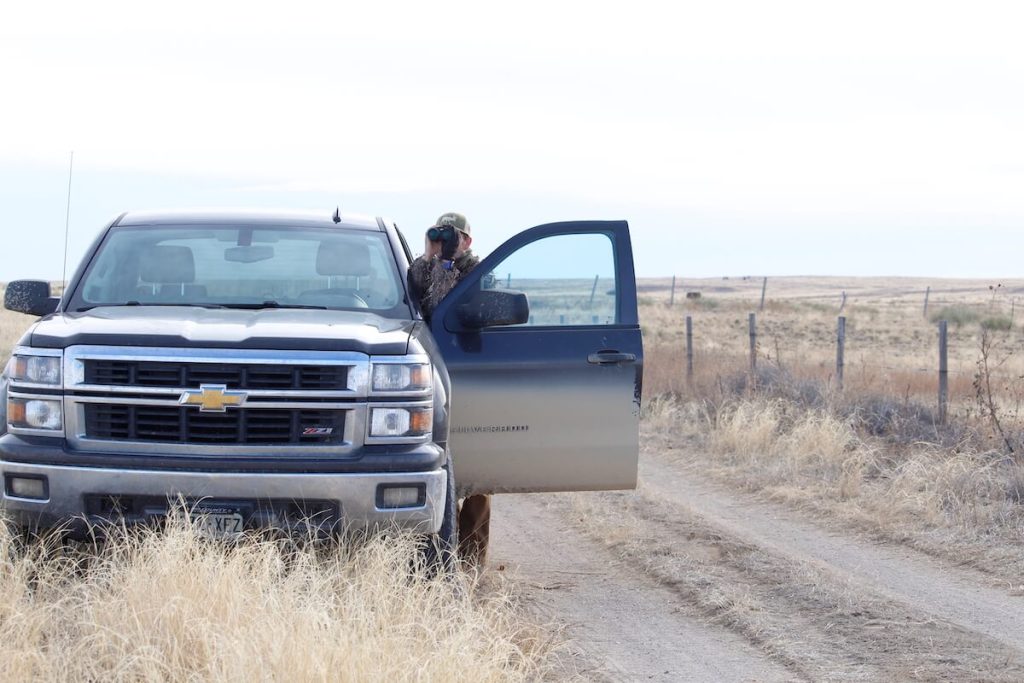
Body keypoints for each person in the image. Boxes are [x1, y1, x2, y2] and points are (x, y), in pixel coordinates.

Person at [407, 212, 491, 566]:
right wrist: (429, 256)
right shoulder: (424, 267)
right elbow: (413, 293)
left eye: (452, 235)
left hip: (466, 370)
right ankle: (435, 556)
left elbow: (452, 309)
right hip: (429, 372)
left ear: (467, 240)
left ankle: (471, 561)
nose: (445, 239)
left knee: (475, 473)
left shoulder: (477, 270)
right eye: (440, 233)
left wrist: (447, 266)